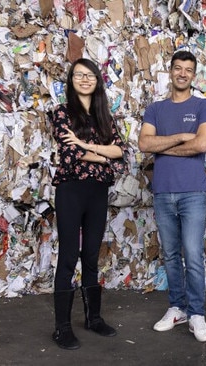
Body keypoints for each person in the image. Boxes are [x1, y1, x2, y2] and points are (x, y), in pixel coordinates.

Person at [138, 50, 206, 342]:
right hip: (162, 193)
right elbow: (144, 143)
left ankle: (197, 313)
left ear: (193, 75)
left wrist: (164, 147)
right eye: (177, 68)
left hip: (192, 193)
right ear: (169, 71)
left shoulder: (203, 105)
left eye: (188, 70)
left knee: (193, 255)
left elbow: (202, 145)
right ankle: (177, 307)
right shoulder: (155, 109)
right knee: (171, 254)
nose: (182, 73)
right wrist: (182, 136)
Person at [50, 58, 127, 350]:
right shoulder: (61, 113)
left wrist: (86, 146)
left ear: (97, 80)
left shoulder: (105, 117)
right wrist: (104, 156)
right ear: (71, 80)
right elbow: (67, 155)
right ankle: (62, 328)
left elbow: (121, 153)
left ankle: (93, 318)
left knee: (91, 256)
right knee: (69, 257)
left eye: (90, 75)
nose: (84, 79)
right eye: (78, 75)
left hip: (97, 192)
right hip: (71, 190)